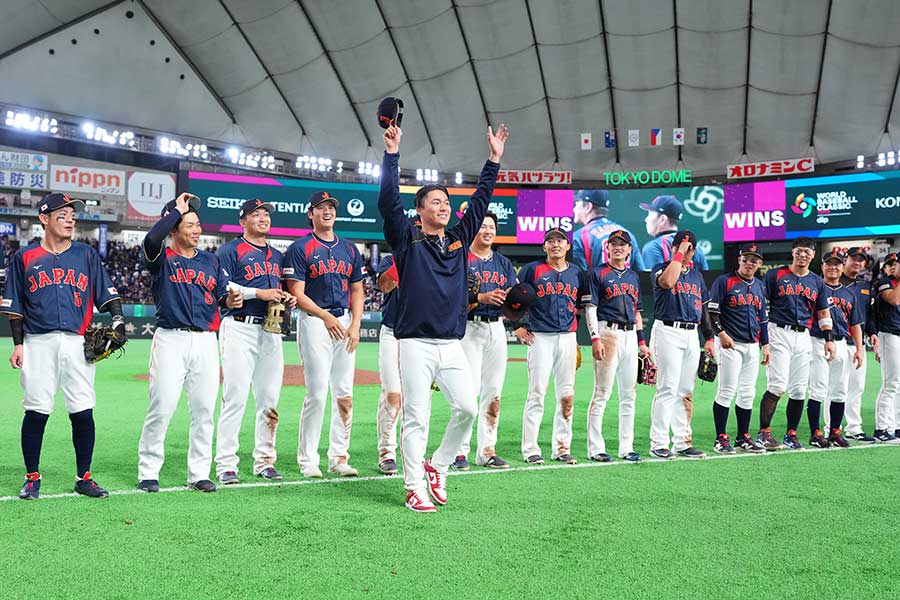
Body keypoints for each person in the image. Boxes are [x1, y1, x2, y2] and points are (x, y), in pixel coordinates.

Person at [378, 122, 508, 512]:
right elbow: (387, 201)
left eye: (446, 202)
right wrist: (392, 154)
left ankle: (438, 465)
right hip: (415, 341)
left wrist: (493, 160)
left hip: (451, 343)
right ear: (419, 210)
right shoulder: (406, 238)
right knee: (416, 417)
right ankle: (414, 486)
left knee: (467, 409)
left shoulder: (457, 238)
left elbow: (482, 200)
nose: (443, 206)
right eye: (435, 202)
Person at [1, 192, 122, 499]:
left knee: (82, 409)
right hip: (37, 342)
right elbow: (15, 306)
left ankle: (84, 477)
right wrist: (18, 345)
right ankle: (32, 477)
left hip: (77, 342)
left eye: (72, 215)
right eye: (62, 215)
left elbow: (106, 292)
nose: (70, 220)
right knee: (37, 410)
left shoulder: (85, 255)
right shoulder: (24, 257)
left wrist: (118, 319)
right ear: (44, 219)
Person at [137, 193, 231, 493]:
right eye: (189, 224)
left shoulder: (210, 261)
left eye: (198, 224)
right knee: (162, 406)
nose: (197, 229)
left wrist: (231, 298)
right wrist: (174, 211)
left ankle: (199, 472)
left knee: (204, 410)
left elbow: (221, 295)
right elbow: (151, 240)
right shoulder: (161, 259)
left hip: (205, 341)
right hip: (171, 339)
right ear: (173, 229)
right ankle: (149, 471)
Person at [284, 191, 366, 478]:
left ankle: (339, 457)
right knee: (317, 393)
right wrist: (326, 317)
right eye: (321, 208)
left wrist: (355, 324)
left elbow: (357, 290)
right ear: (311, 214)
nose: (327, 211)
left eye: (331, 207)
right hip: (315, 321)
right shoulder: (300, 248)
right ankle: (308, 460)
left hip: (343, 321)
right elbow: (297, 293)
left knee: (344, 394)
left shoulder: (350, 249)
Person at [214, 199, 295, 485]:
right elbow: (221, 287)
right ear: (242, 221)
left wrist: (287, 298)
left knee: (269, 399)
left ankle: (265, 460)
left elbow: (280, 289)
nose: (263, 218)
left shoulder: (276, 255)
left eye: (265, 214)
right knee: (234, 397)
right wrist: (258, 294)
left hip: (270, 331)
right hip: (239, 327)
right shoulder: (229, 251)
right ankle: (226, 464)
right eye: (255, 214)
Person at [756, 237, 834, 451]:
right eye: (799, 251)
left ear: (813, 255)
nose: (803, 255)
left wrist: (828, 339)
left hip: (804, 336)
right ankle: (764, 433)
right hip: (779, 331)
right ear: (793, 252)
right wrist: (764, 339)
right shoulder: (775, 275)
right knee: (778, 385)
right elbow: (761, 306)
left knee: (799, 389)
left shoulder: (817, 281)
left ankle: (791, 434)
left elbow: (823, 312)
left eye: (807, 252)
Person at [455, 211, 517, 470]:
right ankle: (459, 451)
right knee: (468, 393)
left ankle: (487, 450)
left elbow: (513, 297)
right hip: (469, 328)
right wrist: (480, 298)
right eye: (483, 226)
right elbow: (450, 297)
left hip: (497, 328)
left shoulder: (502, 262)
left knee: (493, 392)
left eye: (492, 226)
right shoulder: (460, 258)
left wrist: (518, 303)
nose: (488, 231)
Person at [515, 227, 582, 465]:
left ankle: (562, 447)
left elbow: (581, 305)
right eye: (550, 241)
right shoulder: (532, 270)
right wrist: (517, 325)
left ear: (567, 246)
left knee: (567, 396)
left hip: (567, 337)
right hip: (540, 337)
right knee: (537, 394)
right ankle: (530, 449)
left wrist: (577, 335)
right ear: (544, 247)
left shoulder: (576, 273)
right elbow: (515, 298)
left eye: (560, 241)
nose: (555, 245)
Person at [582, 229, 649, 462]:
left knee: (629, 394)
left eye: (623, 244)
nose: (618, 247)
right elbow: (590, 308)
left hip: (630, 336)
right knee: (602, 393)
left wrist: (642, 343)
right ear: (607, 248)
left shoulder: (633, 277)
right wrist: (595, 338)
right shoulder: (597, 273)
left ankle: (626, 447)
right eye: (614, 244)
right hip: (607, 332)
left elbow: (637, 312)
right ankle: (596, 448)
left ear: (630, 249)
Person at [648, 230, 714, 460]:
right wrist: (678, 256)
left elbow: (703, 307)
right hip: (667, 330)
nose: (682, 249)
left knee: (686, 390)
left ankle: (682, 442)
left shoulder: (696, 276)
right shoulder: (661, 267)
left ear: (694, 250)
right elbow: (667, 281)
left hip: (691, 333)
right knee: (667, 387)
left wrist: (710, 338)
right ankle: (658, 443)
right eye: (678, 245)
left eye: (686, 247)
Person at [707, 244, 770, 454]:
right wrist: (721, 334)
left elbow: (763, 318)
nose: (749, 263)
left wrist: (766, 344)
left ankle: (743, 437)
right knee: (726, 391)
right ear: (739, 259)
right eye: (746, 258)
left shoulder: (760, 286)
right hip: (730, 343)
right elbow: (712, 312)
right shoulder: (724, 281)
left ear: (760, 263)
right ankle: (721, 438)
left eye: (754, 260)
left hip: (752, 345)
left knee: (747, 393)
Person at [811, 249, 864, 448]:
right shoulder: (815, 287)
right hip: (817, 340)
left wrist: (859, 349)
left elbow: (856, 323)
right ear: (822, 266)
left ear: (842, 268)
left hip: (842, 343)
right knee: (818, 388)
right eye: (829, 263)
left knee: (840, 390)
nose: (833, 267)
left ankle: (835, 431)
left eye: (837, 264)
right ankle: (816, 433)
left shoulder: (849, 293)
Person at [841, 247, 878, 442]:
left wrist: (872, 332)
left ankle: (854, 428)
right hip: (837, 341)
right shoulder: (833, 282)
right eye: (854, 259)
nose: (857, 263)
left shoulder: (865, 286)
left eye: (861, 260)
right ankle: (832, 428)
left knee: (857, 386)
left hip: (858, 343)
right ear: (845, 260)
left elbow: (868, 314)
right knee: (836, 387)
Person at [571, 190, 645, 271]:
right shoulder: (628, 234)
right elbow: (641, 275)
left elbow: (580, 277)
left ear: (588, 207)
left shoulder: (579, 236)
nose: (574, 209)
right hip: (625, 283)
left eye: (576, 204)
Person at [375, 253, 401, 475]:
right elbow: (384, 285)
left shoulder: (436, 258)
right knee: (392, 393)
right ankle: (387, 452)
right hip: (393, 332)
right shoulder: (391, 259)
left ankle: (415, 451)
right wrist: (405, 258)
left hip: (423, 336)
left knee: (422, 398)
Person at [873, 253, 900, 443]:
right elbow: (894, 300)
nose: (893, 267)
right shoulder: (885, 281)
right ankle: (882, 429)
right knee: (890, 383)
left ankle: (896, 426)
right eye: (892, 264)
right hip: (889, 335)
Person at [641, 195, 709, 270]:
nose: (646, 219)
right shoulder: (696, 248)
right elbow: (706, 278)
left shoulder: (654, 247)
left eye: (650, 214)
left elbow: (654, 280)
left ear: (662, 219)